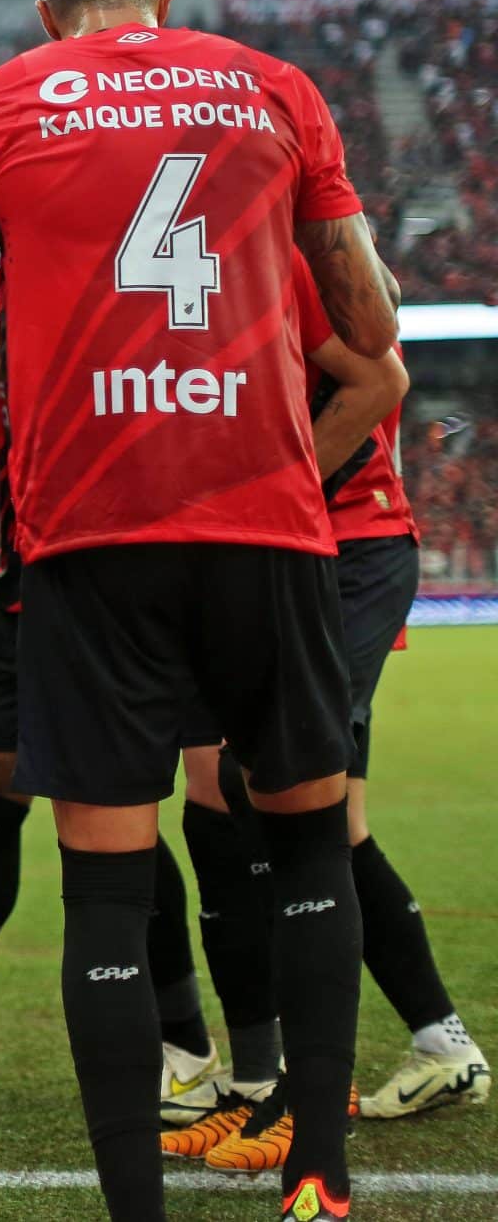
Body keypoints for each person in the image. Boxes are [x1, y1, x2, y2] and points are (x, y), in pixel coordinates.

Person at [0, 0, 400, 1222]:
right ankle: (321, 1181)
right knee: (305, 842)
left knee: (109, 884)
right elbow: (371, 321)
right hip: (268, 523)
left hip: (90, 533)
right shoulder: (275, 91)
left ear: (45, 6)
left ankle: (137, 1209)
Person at [162, 257, 487, 1170]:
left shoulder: (286, 259)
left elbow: (381, 363)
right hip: (268, 555)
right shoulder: (220, 257)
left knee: (259, 781)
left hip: (346, 551)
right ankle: (426, 1041)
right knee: (312, 814)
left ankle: (301, 1090)